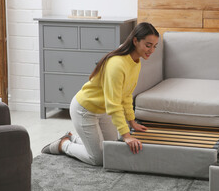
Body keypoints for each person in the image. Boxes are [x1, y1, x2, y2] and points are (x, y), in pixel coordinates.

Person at [41, 22, 159, 165]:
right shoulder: (117, 64)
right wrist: (126, 136)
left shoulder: (136, 62)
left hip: (103, 111)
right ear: (135, 41)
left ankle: (72, 137)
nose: (152, 50)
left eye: (154, 46)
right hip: (85, 110)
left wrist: (132, 121)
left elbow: (126, 95)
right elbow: (113, 104)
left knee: (111, 149)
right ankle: (64, 145)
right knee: (98, 159)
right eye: (148, 45)